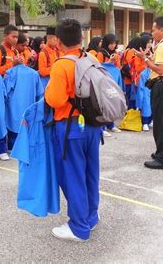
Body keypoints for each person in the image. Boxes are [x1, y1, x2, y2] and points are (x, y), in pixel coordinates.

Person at [45, 18, 103, 242]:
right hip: (92, 125)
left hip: (70, 127)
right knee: (90, 172)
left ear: (58, 41)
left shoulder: (61, 65)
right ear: (81, 38)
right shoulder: (91, 58)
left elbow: (56, 100)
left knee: (72, 175)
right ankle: (90, 216)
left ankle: (79, 227)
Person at [134, 16, 163, 170]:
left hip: (162, 84)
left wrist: (145, 59)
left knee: (162, 122)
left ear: (162, 30)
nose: (152, 33)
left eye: (154, 30)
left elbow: (159, 69)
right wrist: (149, 57)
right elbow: (162, 64)